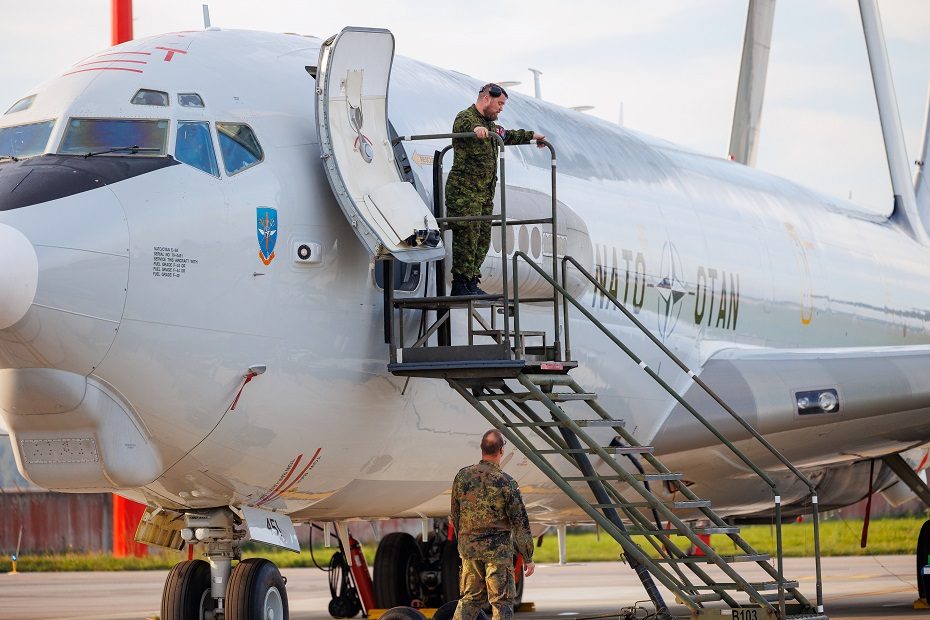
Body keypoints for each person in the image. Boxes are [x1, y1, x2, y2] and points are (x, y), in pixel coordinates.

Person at [445, 84, 546, 296]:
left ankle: (472, 281)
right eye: (499, 103)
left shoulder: (491, 127)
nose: (501, 109)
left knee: (482, 239)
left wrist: (533, 136)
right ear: (486, 99)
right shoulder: (466, 117)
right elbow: (467, 126)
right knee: (467, 237)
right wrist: (476, 131)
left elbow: (506, 135)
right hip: (465, 193)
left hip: (483, 194)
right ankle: (460, 284)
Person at [451, 429, 535, 620]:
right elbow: (519, 522)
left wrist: (463, 543)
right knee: (501, 601)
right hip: (497, 553)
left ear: (482, 449)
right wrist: (528, 556)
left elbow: (455, 515)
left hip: (469, 549)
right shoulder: (506, 482)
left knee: (470, 599)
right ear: (501, 451)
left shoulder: (462, 477)